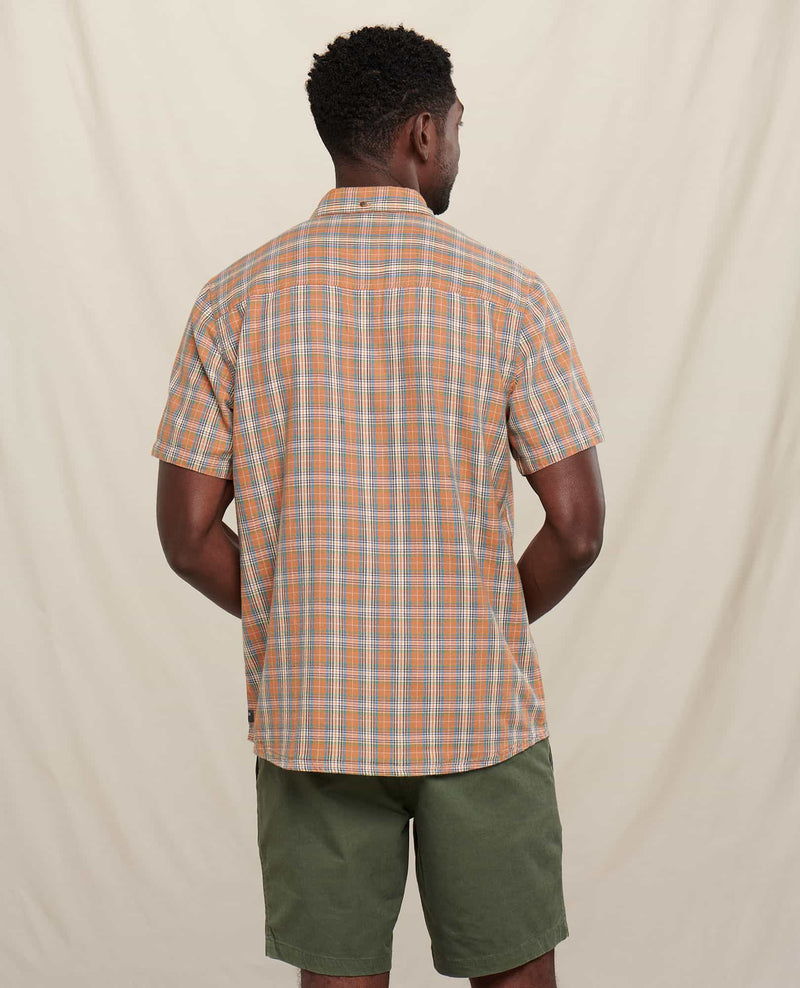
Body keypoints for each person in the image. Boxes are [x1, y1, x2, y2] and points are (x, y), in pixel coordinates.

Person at [150, 22, 605, 988]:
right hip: (479, 717)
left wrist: (298, 614)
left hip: (313, 714)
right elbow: (577, 528)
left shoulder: (233, 301)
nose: (457, 147)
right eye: (457, 126)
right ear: (423, 135)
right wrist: (478, 621)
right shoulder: (510, 297)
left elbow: (186, 537)